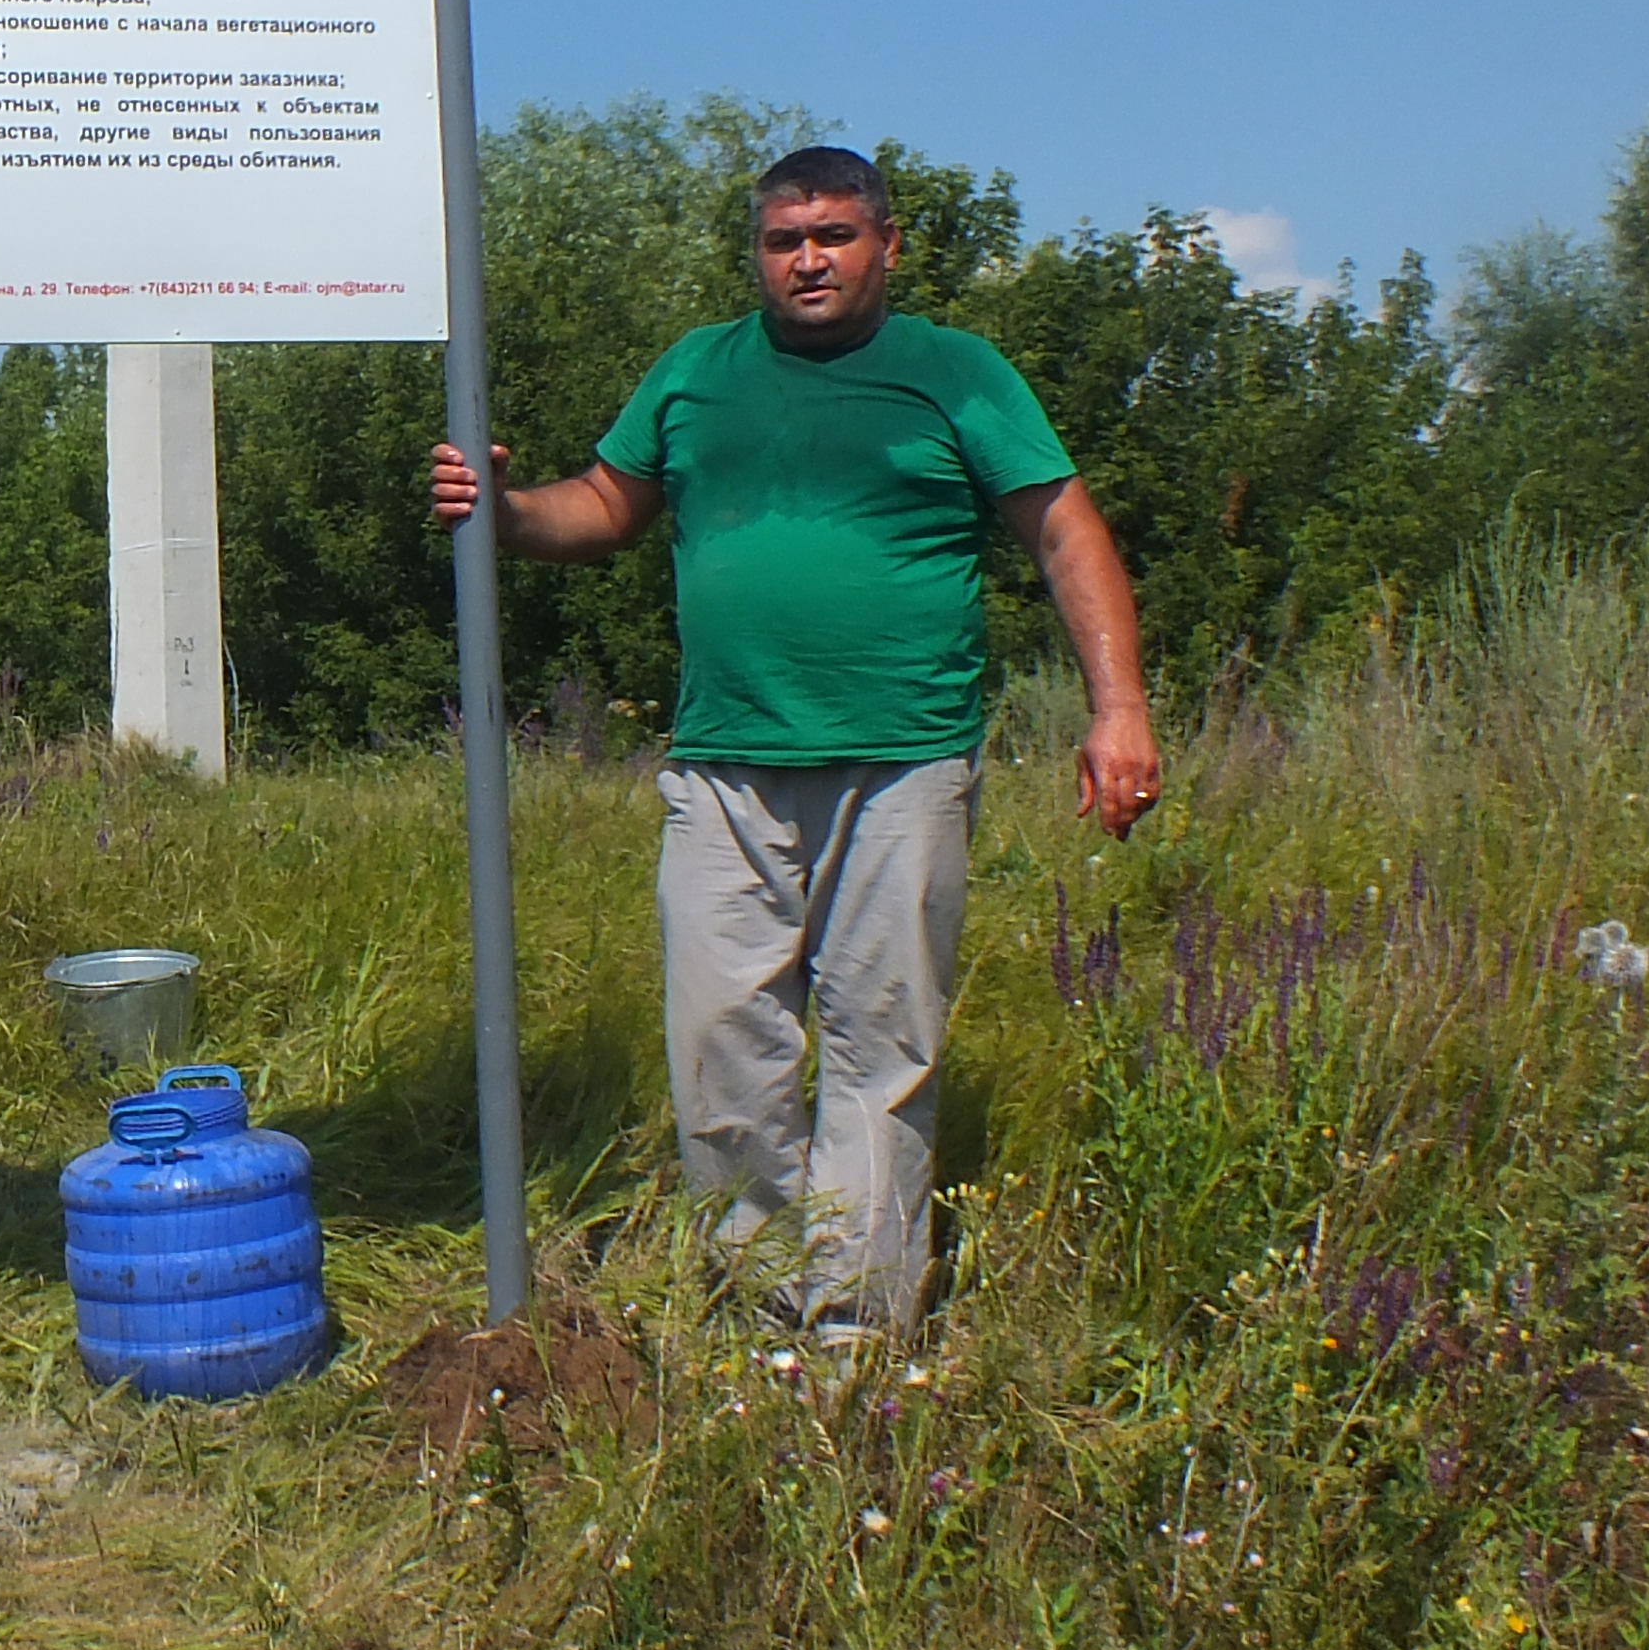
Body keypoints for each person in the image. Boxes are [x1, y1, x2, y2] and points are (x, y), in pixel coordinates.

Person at [428, 146, 1156, 1341]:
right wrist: (501, 511)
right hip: (724, 767)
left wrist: (1117, 707)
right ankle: (749, 1303)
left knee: (882, 1047)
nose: (807, 259)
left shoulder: (955, 375)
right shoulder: (698, 372)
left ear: (887, 243)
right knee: (722, 1041)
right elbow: (605, 507)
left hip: (904, 763)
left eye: (833, 235)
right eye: (783, 241)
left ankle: (855, 1325)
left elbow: (1064, 532)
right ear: (758, 253)